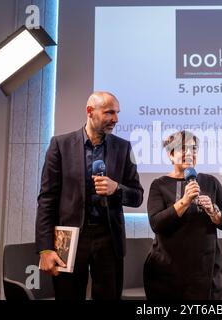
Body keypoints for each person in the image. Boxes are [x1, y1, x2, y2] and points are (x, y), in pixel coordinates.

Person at [36, 91, 143, 300]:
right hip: (69, 239)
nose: (116, 119)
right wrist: (45, 249)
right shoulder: (60, 145)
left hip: (109, 239)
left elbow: (137, 196)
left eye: (117, 113)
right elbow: (47, 199)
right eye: (109, 112)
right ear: (90, 111)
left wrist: (116, 189)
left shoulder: (124, 148)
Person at [144, 130, 222, 300]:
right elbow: (156, 223)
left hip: (204, 271)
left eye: (193, 149)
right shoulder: (159, 185)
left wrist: (213, 211)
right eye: (182, 148)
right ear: (171, 155)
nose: (189, 153)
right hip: (166, 272)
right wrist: (184, 201)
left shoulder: (210, 182)